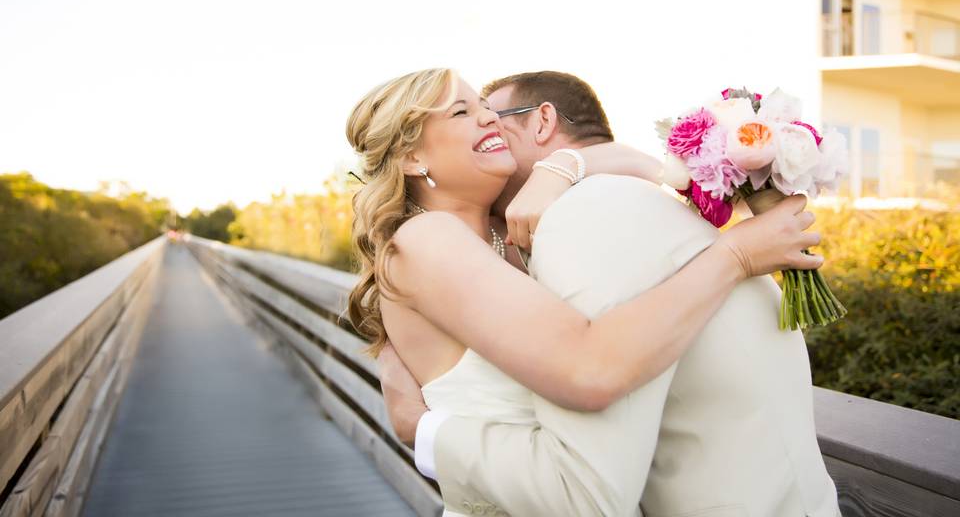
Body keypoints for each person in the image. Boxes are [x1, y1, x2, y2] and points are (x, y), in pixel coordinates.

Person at [348, 68, 835, 516]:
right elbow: (588, 368)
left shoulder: (508, 241)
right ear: (412, 157)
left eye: (487, 107)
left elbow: (643, 169)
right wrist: (735, 257)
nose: (487, 117)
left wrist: (567, 162)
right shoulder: (429, 237)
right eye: (462, 111)